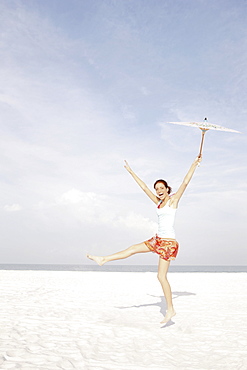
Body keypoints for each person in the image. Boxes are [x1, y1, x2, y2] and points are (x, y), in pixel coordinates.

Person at [87, 155, 202, 324]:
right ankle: (103, 259)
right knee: (133, 248)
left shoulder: (173, 201)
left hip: (168, 243)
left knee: (161, 277)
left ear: (167, 189)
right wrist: (130, 171)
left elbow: (185, 182)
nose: (158, 190)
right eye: (157, 189)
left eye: (161, 188)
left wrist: (194, 164)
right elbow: (143, 188)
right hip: (158, 239)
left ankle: (170, 309)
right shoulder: (158, 202)